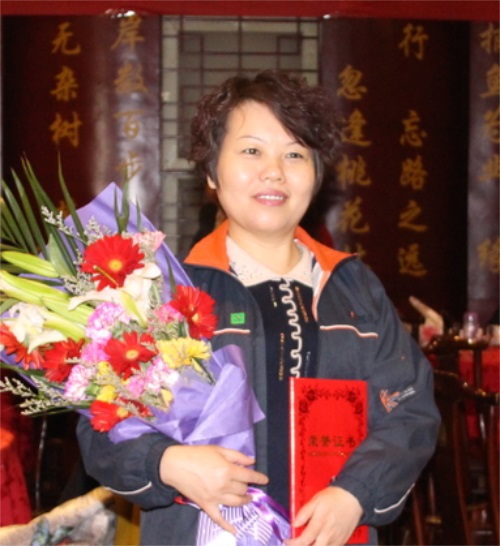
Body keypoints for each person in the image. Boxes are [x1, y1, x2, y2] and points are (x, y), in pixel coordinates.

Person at [77, 70, 440, 546]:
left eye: (295, 154)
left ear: (316, 175)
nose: (274, 171)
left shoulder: (355, 287)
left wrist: (356, 493)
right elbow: (100, 428)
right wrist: (165, 462)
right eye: (251, 151)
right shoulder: (162, 292)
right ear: (212, 172)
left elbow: (411, 411)